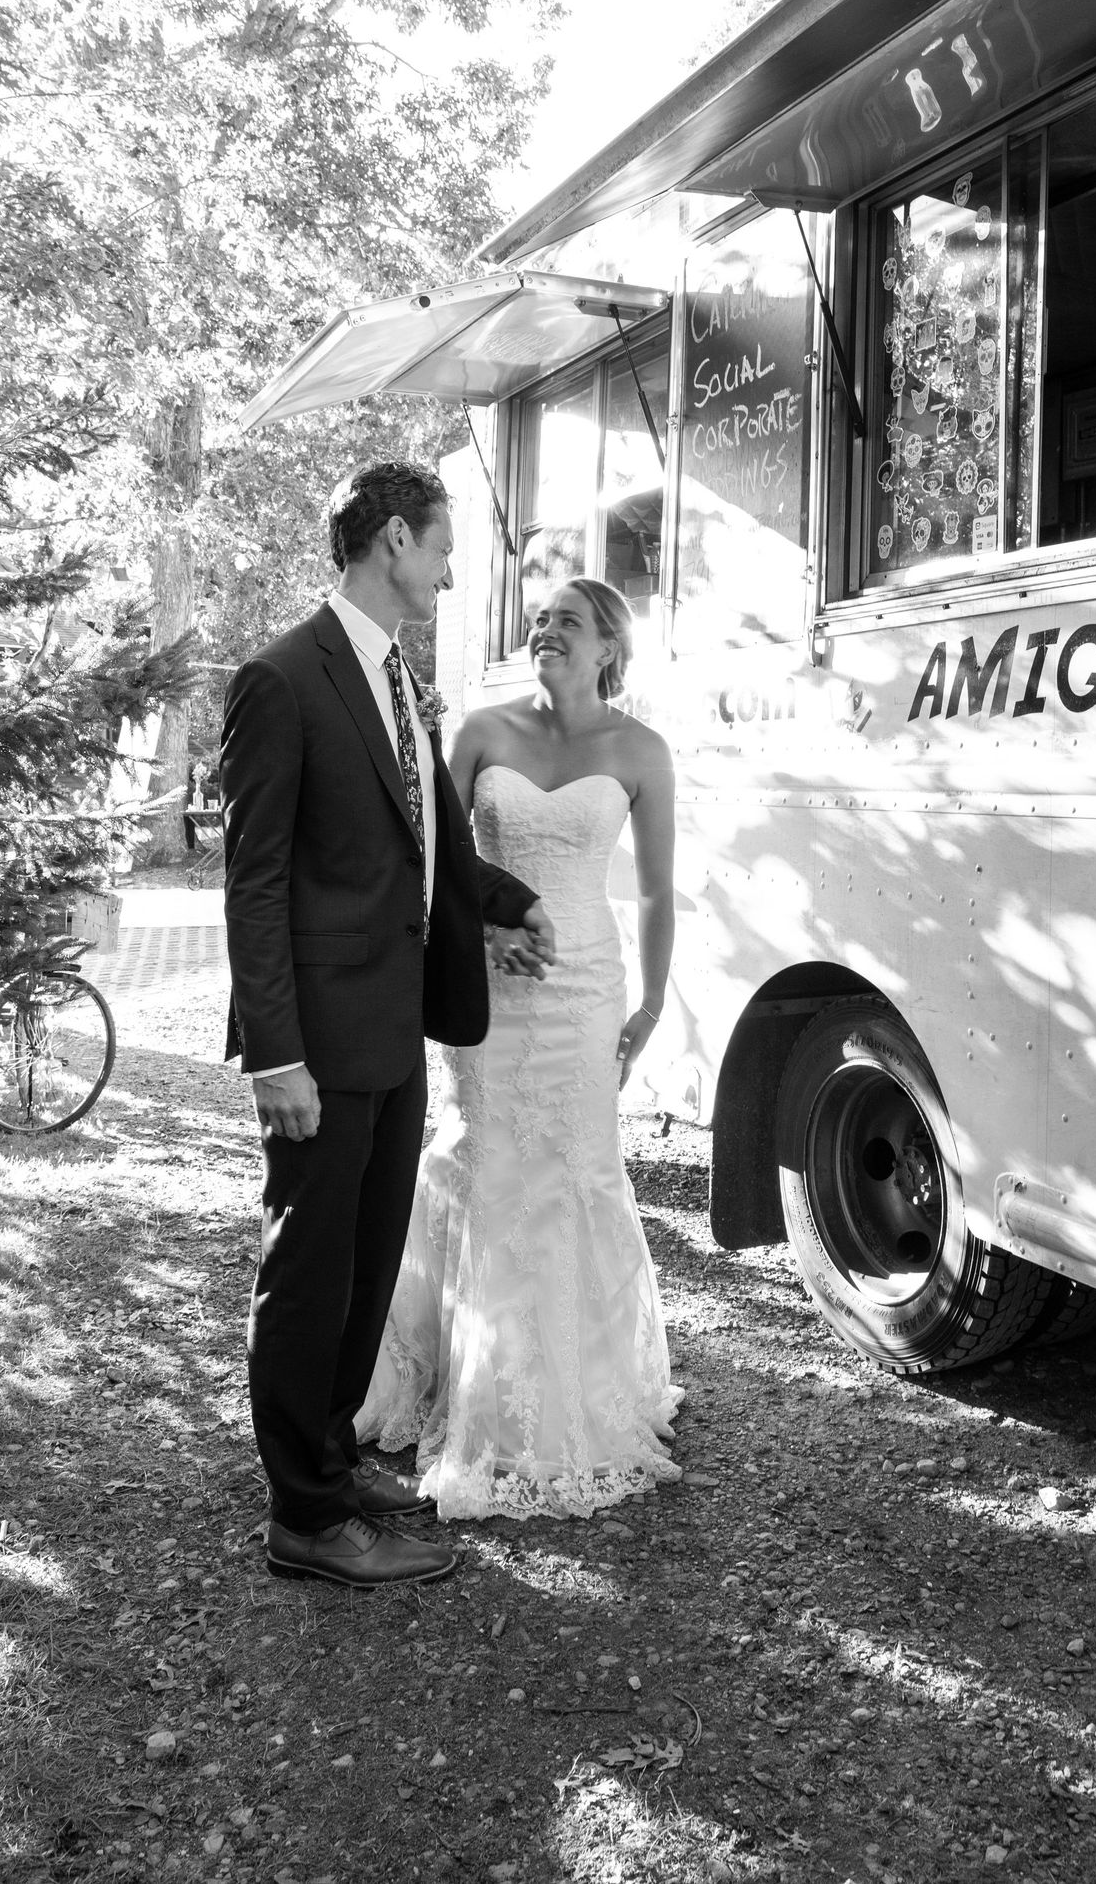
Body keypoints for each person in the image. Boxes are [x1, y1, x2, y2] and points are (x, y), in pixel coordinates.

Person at [220, 463, 556, 1587]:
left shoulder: (399, 677)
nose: (451, 570)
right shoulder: (282, 678)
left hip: (396, 1025)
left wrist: (505, 902)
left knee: (367, 1265)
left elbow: (427, 832)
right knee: (311, 1267)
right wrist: (276, 1052)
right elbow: (254, 882)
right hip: (316, 1039)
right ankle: (301, 1519)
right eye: (443, 546)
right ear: (395, 540)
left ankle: (330, 1459)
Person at [357, 576, 683, 1519]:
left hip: (586, 991)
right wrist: (483, 930)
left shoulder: (640, 750)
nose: (544, 631)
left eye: (567, 623)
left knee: (576, 1170)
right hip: (490, 984)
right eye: (538, 619)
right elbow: (429, 856)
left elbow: (659, 892)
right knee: (489, 1161)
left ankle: (579, 1390)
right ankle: (466, 1387)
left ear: (607, 648)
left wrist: (654, 1005)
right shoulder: (482, 735)